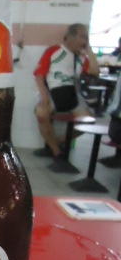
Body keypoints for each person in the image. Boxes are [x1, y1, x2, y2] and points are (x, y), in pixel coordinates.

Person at [33, 23, 100, 160]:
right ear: (70, 37)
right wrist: (44, 96)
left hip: (72, 94)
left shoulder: (82, 58)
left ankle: (57, 142)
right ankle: (56, 151)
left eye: (86, 37)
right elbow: (39, 75)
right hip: (52, 92)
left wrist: (89, 50)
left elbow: (95, 71)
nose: (84, 41)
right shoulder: (54, 50)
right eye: (82, 37)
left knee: (88, 121)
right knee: (41, 113)